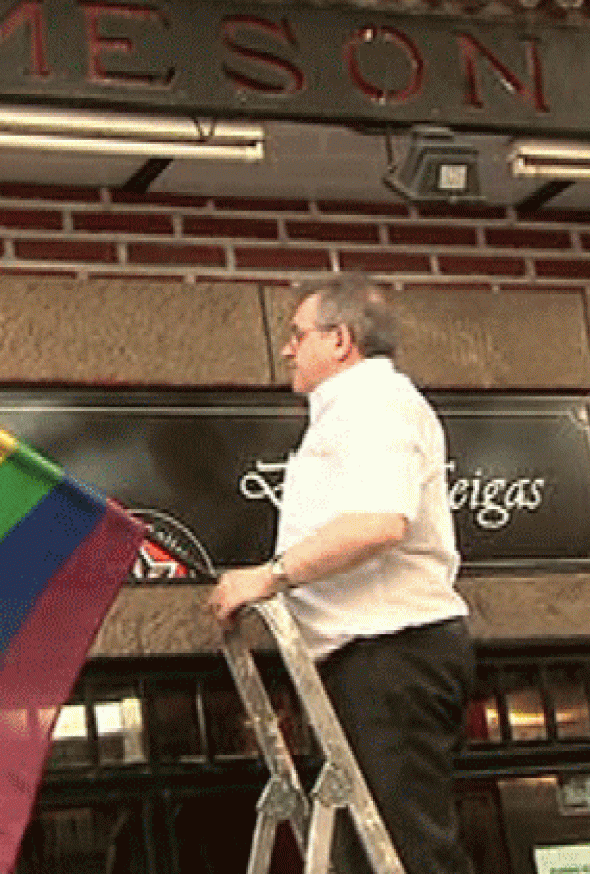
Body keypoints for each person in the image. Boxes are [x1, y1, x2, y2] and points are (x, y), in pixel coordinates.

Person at [206, 274, 474, 874]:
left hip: (391, 653)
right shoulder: (351, 411)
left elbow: (379, 522)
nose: (286, 349)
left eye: (297, 335)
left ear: (340, 340)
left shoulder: (375, 406)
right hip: (373, 657)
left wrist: (267, 578)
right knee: (373, 851)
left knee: (406, 849)